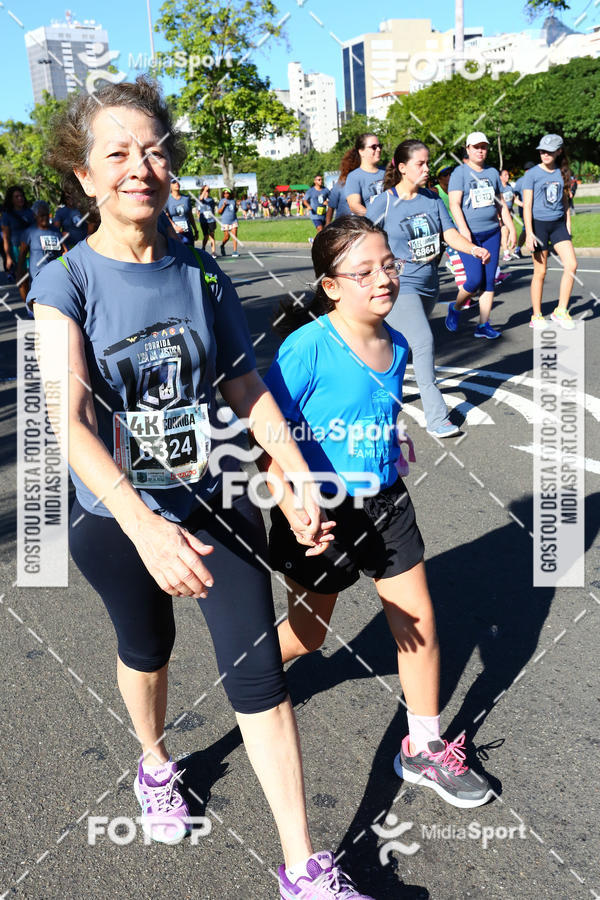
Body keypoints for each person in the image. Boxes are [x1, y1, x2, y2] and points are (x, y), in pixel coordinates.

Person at [31, 76, 373, 900]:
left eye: (152, 149)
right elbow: (66, 419)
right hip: (115, 511)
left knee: (259, 672)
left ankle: (303, 868)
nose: (138, 165)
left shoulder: (200, 271)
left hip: (212, 495)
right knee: (148, 651)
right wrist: (142, 526)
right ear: (85, 175)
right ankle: (155, 764)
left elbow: (244, 385)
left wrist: (293, 477)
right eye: (116, 152)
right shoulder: (63, 282)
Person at [261, 215, 494, 814]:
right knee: (310, 638)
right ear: (331, 286)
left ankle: (422, 746)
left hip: (387, 505)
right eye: (363, 272)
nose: (383, 279)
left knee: (419, 621)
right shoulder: (307, 346)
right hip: (320, 513)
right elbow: (267, 444)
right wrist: (293, 508)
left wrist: (387, 449)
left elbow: (375, 415)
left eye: (388, 265)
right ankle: (252, 668)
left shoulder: (401, 342)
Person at [366, 140, 491, 438]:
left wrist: (472, 248)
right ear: (402, 167)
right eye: (420, 164)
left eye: (427, 163)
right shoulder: (382, 203)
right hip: (399, 285)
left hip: (429, 286)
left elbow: (448, 233)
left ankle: (376, 397)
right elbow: (361, 241)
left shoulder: (432, 199)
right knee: (422, 342)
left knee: (398, 346)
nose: (427, 168)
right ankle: (437, 418)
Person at [445, 131, 517, 340]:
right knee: (474, 279)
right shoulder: (460, 173)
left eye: (483, 146)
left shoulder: (493, 173)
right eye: (475, 147)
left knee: (489, 281)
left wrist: (510, 227)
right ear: (467, 149)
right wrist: (464, 230)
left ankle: (483, 324)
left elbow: (500, 203)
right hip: (470, 237)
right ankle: (456, 308)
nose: (480, 150)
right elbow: (454, 204)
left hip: (492, 233)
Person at [523, 133, 577, 330]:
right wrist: (528, 233)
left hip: (558, 225)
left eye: (549, 151)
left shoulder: (563, 173)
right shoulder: (532, 175)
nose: (544, 154)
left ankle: (561, 311)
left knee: (571, 264)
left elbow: (565, 202)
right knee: (541, 271)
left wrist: (567, 223)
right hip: (538, 226)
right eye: (542, 151)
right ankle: (536, 315)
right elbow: (526, 206)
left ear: (559, 151)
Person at [18, 200, 62, 303]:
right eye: (41, 215)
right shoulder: (29, 232)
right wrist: (20, 272)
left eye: (47, 215)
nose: (45, 218)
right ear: (35, 216)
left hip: (54, 276)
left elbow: (63, 250)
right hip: (37, 277)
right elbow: (22, 255)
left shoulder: (55, 231)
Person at [1, 185, 35, 300]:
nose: (20, 198)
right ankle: (28, 304)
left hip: (32, 248)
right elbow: (6, 238)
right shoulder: (7, 215)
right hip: (17, 250)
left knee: (35, 275)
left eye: (21, 196)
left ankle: (35, 300)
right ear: (11, 199)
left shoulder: (30, 212)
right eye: (16, 196)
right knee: (22, 278)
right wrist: (8, 257)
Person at [343, 134, 386, 214]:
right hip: (370, 225)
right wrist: (375, 218)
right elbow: (354, 206)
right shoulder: (354, 177)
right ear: (361, 151)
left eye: (380, 146)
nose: (379, 149)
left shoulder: (387, 172)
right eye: (374, 147)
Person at [512, 161, 536, 258]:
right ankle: (518, 249)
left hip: (535, 209)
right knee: (527, 229)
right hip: (525, 210)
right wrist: (523, 204)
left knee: (530, 229)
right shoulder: (521, 181)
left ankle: (533, 248)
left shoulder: (534, 179)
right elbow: (513, 196)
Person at [165, 178, 197, 246]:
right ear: (170, 185)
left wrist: (195, 229)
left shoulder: (186, 198)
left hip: (187, 230)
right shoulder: (167, 199)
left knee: (190, 252)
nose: (177, 183)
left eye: (178, 182)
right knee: (178, 253)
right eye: (174, 182)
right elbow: (166, 215)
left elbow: (190, 215)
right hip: (175, 232)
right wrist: (174, 226)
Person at [303, 174, 330, 240]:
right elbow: (304, 200)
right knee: (320, 229)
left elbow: (332, 199)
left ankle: (314, 240)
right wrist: (308, 206)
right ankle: (315, 242)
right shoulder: (311, 191)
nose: (321, 181)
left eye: (321, 180)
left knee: (324, 231)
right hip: (314, 214)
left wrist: (327, 202)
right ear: (315, 181)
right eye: (319, 180)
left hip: (323, 214)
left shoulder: (325, 190)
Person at [499, 168, 515, 263]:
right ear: (500, 177)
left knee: (508, 232)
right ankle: (506, 253)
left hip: (510, 212)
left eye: (508, 175)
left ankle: (506, 250)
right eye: (505, 175)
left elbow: (514, 199)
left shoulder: (509, 187)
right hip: (502, 213)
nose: (507, 176)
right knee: (504, 233)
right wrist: (499, 216)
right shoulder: (499, 188)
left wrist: (524, 204)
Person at [197, 184, 217, 257]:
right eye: (206, 191)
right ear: (203, 191)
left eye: (208, 191)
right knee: (206, 236)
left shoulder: (211, 200)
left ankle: (213, 252)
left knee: (212, 235)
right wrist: (205, 189)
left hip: (211, 220)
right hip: (204, 220)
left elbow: (213, 210)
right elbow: (201, 199)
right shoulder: (200, 198)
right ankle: (203, 247)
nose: (207, 192)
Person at [217, 188, 239, 257]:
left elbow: (235, 210)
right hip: (225, 221)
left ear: (230, 194)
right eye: (224, 193)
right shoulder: (222, 201)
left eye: (227, 193)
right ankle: (222, 245)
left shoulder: (233, 201)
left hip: (233, 220)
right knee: (227, 237)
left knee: (234, 235)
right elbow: (219, 212)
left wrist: (237, 206)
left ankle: (235, 251)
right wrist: (223, 206)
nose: (226, 194)